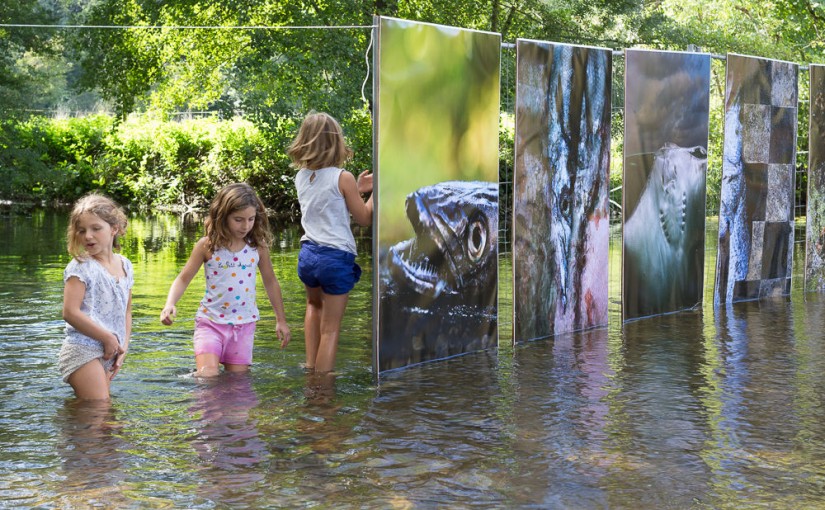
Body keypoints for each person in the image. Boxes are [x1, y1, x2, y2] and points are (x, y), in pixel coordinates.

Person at [160, 183, 291, 377]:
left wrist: (281, 320)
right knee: (208, 375)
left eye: (251, 219)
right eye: (238, 219)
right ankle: (198, 387)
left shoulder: (257, 247)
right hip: (210, 322)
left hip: (244, 325)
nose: (245, 226)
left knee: (237, 384)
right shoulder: (208, 246)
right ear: (223, 216)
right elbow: (183, 278)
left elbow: (270, 281)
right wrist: (170, 304)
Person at [287, 112, 373, 374]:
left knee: (313, 307)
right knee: (331, 329)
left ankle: (310, 367)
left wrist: (357, 190)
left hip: (308, 255)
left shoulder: (301, 176)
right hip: (335, 258)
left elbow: (328, 204)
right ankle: (322, 390)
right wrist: (378, 191)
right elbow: (364, 218)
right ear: (335, 142)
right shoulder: (342, 176)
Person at [58, 194, 133, 400]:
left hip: (110, 352)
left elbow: (127, 310)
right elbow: (70, 312)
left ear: (114, 229)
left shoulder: (125, 265)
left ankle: (71, 428)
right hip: (82, 349)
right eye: (81, 231)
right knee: (100, 409)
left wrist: (123, 347)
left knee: (96, 417)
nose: (88, 236)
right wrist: (108, 338)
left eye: (96, 228)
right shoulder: (81, 266)